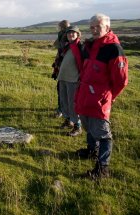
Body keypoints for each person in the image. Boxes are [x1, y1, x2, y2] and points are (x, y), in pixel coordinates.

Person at [74, 13, 128, 179]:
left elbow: (121, 81)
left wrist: (108, 97)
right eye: (92, 27)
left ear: (107, 26)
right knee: (89, 126)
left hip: (99, 100)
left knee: (103, 133)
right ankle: (92, 150)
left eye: (98, 26)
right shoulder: (91, 46)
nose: (94, 30)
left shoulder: (113, 49)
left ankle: (102, 168)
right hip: (85, 96)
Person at [57, 25, 83, 136]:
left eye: (73, 33)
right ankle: (68, 120)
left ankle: (78, 126)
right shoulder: (67, 46)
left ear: (78, 34)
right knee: (64, 101)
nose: (71, 35)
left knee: (73, 103)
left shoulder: (81, 47)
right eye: (68, 33)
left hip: (73, 80)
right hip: (63, 78)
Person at [52, 20, 70, 118]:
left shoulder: (64, 35)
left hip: (64, 65)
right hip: (61, 64)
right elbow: (56, 45)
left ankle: (61, 110)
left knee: (62, 89)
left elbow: (56, 45)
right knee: (62, 88)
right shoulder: (64, 35)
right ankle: (63, 109)